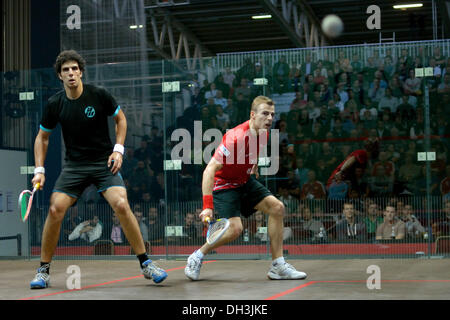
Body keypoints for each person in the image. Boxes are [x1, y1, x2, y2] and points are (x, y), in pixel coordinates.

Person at [29, 50, 167, 289]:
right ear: (60, 76)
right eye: (65, 70)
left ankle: (146, 264)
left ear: (80, 72)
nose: (71, 73)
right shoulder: (55, 104)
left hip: (103, 163)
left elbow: (120, 119)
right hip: (74, 167)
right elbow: (42, 137)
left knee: (121, 204)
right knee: (54, 209)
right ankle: (43, 270)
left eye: (74, 69)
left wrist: (118, 150)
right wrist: (39, 169)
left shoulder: (99, 95)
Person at [184, 96, 307, 281]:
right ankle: (197, 256)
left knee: (277, 208)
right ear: (252, 114)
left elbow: (253, 150)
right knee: (235, 229)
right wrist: (207, 206)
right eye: (265, 114)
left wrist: (253, 165)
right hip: (224, 185)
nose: (270, 119)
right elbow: (209, 169)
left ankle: (278, 266)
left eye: (272, 115)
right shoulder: (235, 138)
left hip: (243, 181)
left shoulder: (264, 133)